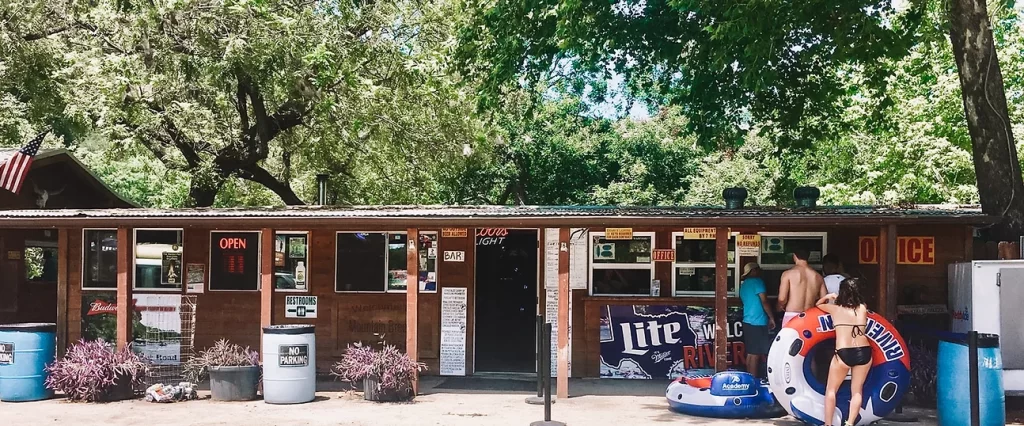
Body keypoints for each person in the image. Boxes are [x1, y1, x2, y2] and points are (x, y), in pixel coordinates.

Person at [816, 278, 873, 426]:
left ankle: (828, 424)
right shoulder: (862, 307)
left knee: (831, 390)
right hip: (864, 352)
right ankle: (849, 423)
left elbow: (818, 304)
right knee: (857, 391)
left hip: (844, 352)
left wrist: (829, 297)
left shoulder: (835, 309)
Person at [738, 262, 774, 378]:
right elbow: (764, 301)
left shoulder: (744, 285)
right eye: (758, 269)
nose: (760, 272)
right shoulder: (758, 282)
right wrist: (771, 317)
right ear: (753, 271)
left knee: (750, 354)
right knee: (756, 354)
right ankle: (753, 381)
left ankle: (750, 378)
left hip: (747, 320)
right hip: (758, 321)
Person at [777, 248, 826, 326]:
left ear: (794, 256)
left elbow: (782, 299)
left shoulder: (788, 274)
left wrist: (780, 306)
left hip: (792, 316)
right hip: (810, 316)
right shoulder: (818, 276)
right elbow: (824, 300)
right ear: (808, 257)